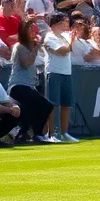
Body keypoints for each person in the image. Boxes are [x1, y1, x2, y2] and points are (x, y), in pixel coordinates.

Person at [8, 20, 55, 143]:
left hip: (28, 86)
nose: (33, 32)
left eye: (34, 29)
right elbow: (26, 63)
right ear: (23, 32)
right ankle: (37, 134)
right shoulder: (19, 46)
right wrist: (35, 49)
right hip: (18, 86)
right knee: (46, 105)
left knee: (29, 111)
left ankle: (22, 134)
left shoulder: (31, 47)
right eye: (30, 29)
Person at [43, 13, 79, 143]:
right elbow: (62, 51)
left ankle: (64, 133)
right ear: (56, 24)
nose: (67, 23)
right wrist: (72, 41)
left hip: (66, 73)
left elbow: (70, 49)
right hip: (54, 73)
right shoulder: (49, 37)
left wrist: (72, 39)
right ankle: (51, 134)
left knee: (66, 105)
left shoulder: (65, 36)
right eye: (65, 21)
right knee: (53, 105)